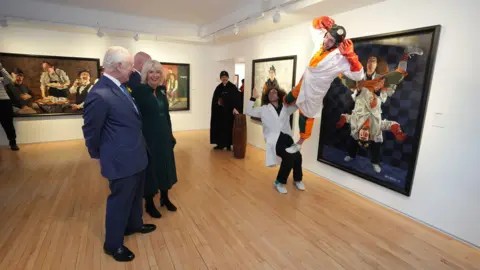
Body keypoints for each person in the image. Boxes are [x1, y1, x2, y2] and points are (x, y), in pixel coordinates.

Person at [82, 46, 156, 262]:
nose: (133, 71)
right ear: (117, 67)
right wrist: (99, 154)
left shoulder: (121, 86)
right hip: (121, 159)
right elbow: (91, 130)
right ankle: (113, 244)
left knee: (135, 196)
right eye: (130, 66)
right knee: (119, 201)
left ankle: (135, 224)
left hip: (137, 154)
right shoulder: (100, 93)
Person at [282, 15, 364, 154]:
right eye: (327, 37)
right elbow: (313, 27)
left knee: (305, 117)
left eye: (331, 40)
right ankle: (284, 113)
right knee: (288, 98)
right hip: (304, 82)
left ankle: (299, 143)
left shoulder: (341, 59)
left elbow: (359, 75)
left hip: (315, 91)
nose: (326, 41)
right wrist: (320, 21)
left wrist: (351, 57)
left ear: (337, 44)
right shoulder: (321, 41)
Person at [131, 60, 178, 218]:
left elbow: (166, 115)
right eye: (151, 72)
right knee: (150, 169)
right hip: (148, 136)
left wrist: (170, 134)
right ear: (145, 74)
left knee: (165, 165)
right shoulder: (139, 92)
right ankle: (149, 203)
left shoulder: (162, 91)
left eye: (158, 72)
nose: (155, 75)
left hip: (163, 135)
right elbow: (135, 118)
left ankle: (164, 197)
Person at [245, 85, 305, 194]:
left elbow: (298, 105)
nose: (272, 93)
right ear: (267, 97)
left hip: (286, 138)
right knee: (288, 156)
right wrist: (253, 97)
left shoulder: (286, 108)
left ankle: (297, 179)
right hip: (274, 140)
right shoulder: (264, 109)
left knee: (298, 156)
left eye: (274, 92)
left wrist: (294, 95)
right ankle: (279, 182)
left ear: (279, 95)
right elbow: (248, 111)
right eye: (270, 93)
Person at [210, 70, 242, 150]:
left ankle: (228, 144)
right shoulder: (218, 88)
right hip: (220, 113)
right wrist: (217, 103)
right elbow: (215, 100)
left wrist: (235, 108)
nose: (224, 78)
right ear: (221, 78)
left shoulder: (233, 87)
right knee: (220, 128)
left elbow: (237, 99)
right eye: (222, 77)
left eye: (225, 77)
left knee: (229, 128)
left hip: (229, 113)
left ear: (228, 77)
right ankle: (220, 144)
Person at [0, 63, 19, 151]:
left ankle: (13, 143)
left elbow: (10, 80)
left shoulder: (1, 80)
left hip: (4, 102)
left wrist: (1, 68)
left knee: (8, 124)